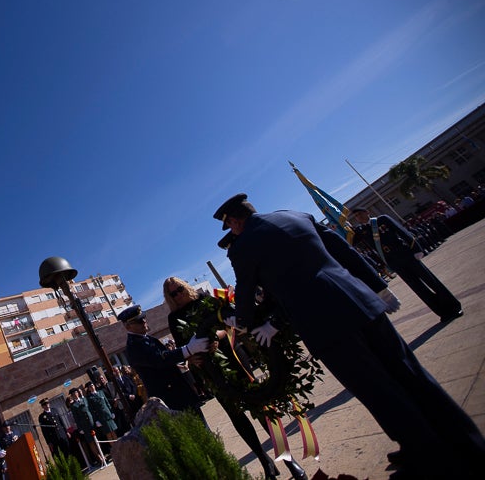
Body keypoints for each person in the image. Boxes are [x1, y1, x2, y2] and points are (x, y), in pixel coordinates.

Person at [214, 193, 485, 479]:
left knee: (379, 390)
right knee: (410, 373)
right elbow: (345, 252)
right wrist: (378, 287)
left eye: (230, 226)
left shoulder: (243, 246)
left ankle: (431, 459)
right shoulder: (297, 215)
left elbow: (245, 289)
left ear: (234, 220)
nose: (232, 231)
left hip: (323, 322)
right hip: (359, 302)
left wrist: (241, 322)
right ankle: (466, 441)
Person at [163, 276, 307, 480]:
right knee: (237, 417)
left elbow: (229, 325)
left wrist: (215, 338)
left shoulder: (205, 299)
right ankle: (264, 461)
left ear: (185, 286)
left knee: (262, 409)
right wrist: (192, 358)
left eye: (179, 289)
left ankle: (290, 460)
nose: (178, 294)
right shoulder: (174, 318)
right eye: (173, 293)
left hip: (233, 357)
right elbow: (181, 346)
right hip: (210, 371)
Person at [351, 207, 463, 322]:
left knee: (431, 281)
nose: (358, 217)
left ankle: (454, 307)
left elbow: (402, 232)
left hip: (406, 255)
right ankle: (442, 312)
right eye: (356, 216)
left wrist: (416, 248)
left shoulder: (382, 220)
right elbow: (349, 241)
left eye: (360, 214)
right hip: (394, 263)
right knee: (419, 288)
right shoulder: (361, 231)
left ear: (367, 212)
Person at [117, 305, 210, 418]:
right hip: (171, 399)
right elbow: (160, 359)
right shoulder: (134, 346)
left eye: (143, 317)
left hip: (179, 393)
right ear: (128, 326)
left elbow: (166, 360)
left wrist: (186, 357)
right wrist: (189, 349)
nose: (144, 321)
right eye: (139, 321)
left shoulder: (147, 339)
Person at [68, 387, 105, 467]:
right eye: (73, 394)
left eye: (76, 393)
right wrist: (80, 428)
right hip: (84, 425)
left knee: (97, 440)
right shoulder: (73, 405)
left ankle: (102, 455)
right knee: (91, 442)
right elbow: (76, 417)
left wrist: (95, 420)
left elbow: (90, 410)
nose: (75, 395)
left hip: (91, 422)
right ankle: (99, 458)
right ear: (72, 396)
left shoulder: (84, 399)